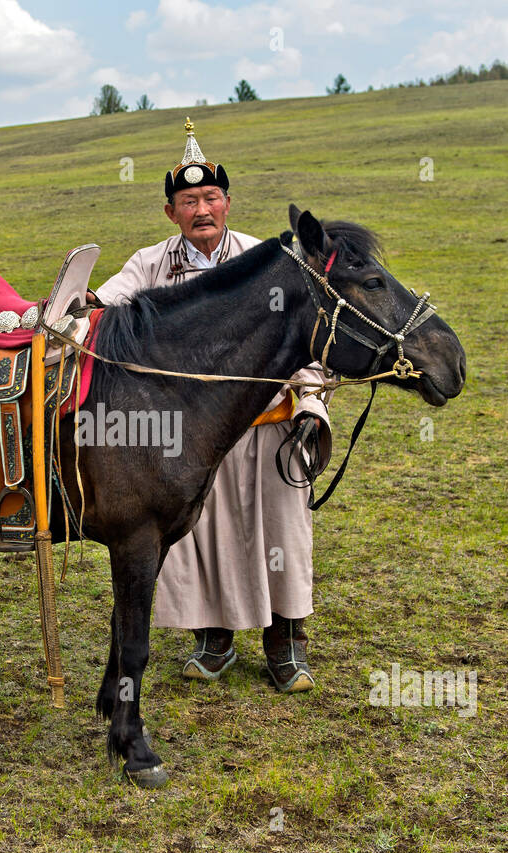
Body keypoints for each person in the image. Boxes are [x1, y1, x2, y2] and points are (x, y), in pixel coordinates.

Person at [93, 119, 333, 692]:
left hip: (267, 421)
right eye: (187, 201)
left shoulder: (265, 262)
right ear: (170, 212)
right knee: (203, 536)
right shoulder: (151, 263)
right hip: (189, 434)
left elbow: (303, 334)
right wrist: (76, 305)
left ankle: (286, 646)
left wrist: (309, 404)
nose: (201, 209)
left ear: (227, 202)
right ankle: (214, 638)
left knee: (280, 532)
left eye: (210, 197)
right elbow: (105, 306)